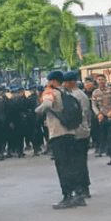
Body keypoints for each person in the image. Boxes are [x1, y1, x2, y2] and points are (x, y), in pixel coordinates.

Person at [35, 70, 85, 210]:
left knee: (62, 166)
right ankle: (78, 195)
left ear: (52, 81)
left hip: (57, 133)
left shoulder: (50, 91)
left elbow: (46, 105)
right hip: (71, 132)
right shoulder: (68, 93)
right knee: (72, 164)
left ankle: (67, 196)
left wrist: (36, 111)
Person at [63, 70, 92, 199]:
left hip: (80, 132)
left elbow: (84, 114)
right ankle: (80, 187)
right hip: (77, 132)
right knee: (76, 162)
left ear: (71, 82)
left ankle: (84, 188)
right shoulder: (72, 94)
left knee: (80, 162)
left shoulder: (78, 95)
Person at [92, 75, 111, 166]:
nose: (101, 81)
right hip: (102, 117)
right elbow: (93, 105)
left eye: (103, 79)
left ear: (106, 80)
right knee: (104, 137)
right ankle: (109, 154)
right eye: (99, 80)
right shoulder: (95, 92)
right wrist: (98, 114)